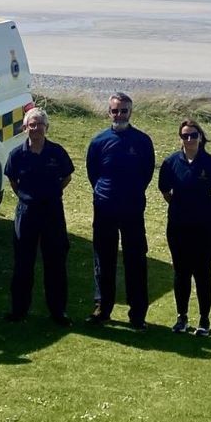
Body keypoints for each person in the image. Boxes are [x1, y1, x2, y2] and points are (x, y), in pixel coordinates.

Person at [85, 92, 155, 329]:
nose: (119, 115)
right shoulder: (98, 141)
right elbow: (93, 173)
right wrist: (105, 193)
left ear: (130, 112)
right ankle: (102, 308)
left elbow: (147, 172)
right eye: (115, 111)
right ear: (109, 112)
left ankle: (137, 314)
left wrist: (132, 192)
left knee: (135, 260)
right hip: (105, 208)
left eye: (123, 110)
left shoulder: (142, 141)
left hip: (133, 209)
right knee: (103, 259)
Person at [3, 106, 75, 326]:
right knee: (23, 263)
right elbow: (13, 182)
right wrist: (28, 198)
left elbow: (67, 177)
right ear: (25, 128)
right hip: (26, 213)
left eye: (40, 124)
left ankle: (58, 311)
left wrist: (50, 194)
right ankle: (19, 310)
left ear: (47, 127)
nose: (36, 128)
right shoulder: (17, 154)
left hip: (52, 212)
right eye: (31, 125)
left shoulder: (57, 152)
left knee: (55, 262)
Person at [158, 118, 211, 335]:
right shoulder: (171, 163)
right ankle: (182, 317)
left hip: (204, 227)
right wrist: (182, 208)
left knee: (203, 273)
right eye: (185, 136)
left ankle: (204, 320)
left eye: (193, 135)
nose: (189, 139)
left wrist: (204, 209)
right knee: (181, 272)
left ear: (200, 137)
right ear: (180, 138)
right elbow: (166, 191)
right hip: (178, 227)